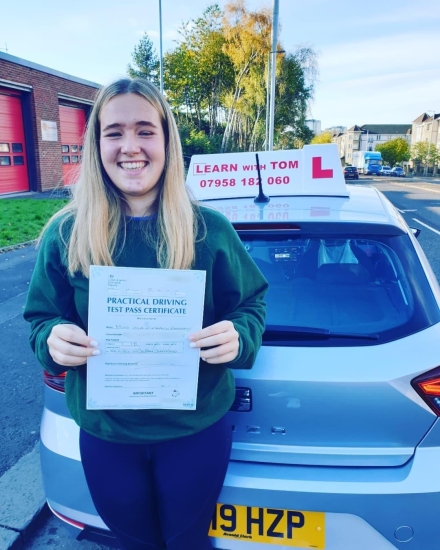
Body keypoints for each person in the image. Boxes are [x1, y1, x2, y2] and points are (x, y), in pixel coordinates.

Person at [24, 77, 268, 550]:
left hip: (193, 432)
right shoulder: (65, 234)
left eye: (144, 130)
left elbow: (251, 304)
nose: (129, 146)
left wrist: (240, 336)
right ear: (96, 144)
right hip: (108, 433)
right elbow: (40, 318)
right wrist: (51, 340)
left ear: (166, 141)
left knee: (188, 543)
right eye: (114, 132)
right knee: (132, 543)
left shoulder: (208, 230)